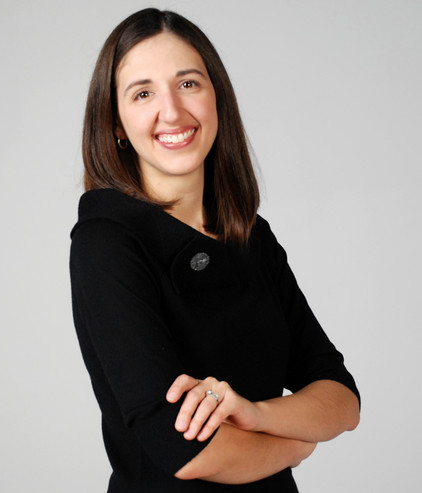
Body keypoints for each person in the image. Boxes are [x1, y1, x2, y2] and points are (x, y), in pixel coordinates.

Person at [70, 7, 360, 492]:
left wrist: (253, 413)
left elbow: (342, 399)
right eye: (143, 93)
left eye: (188, 84)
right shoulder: (107, 241)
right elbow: (180, 451)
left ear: (216, 98)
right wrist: (295, 444)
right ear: (117, 124)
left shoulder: (251, 236)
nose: (173, 112)